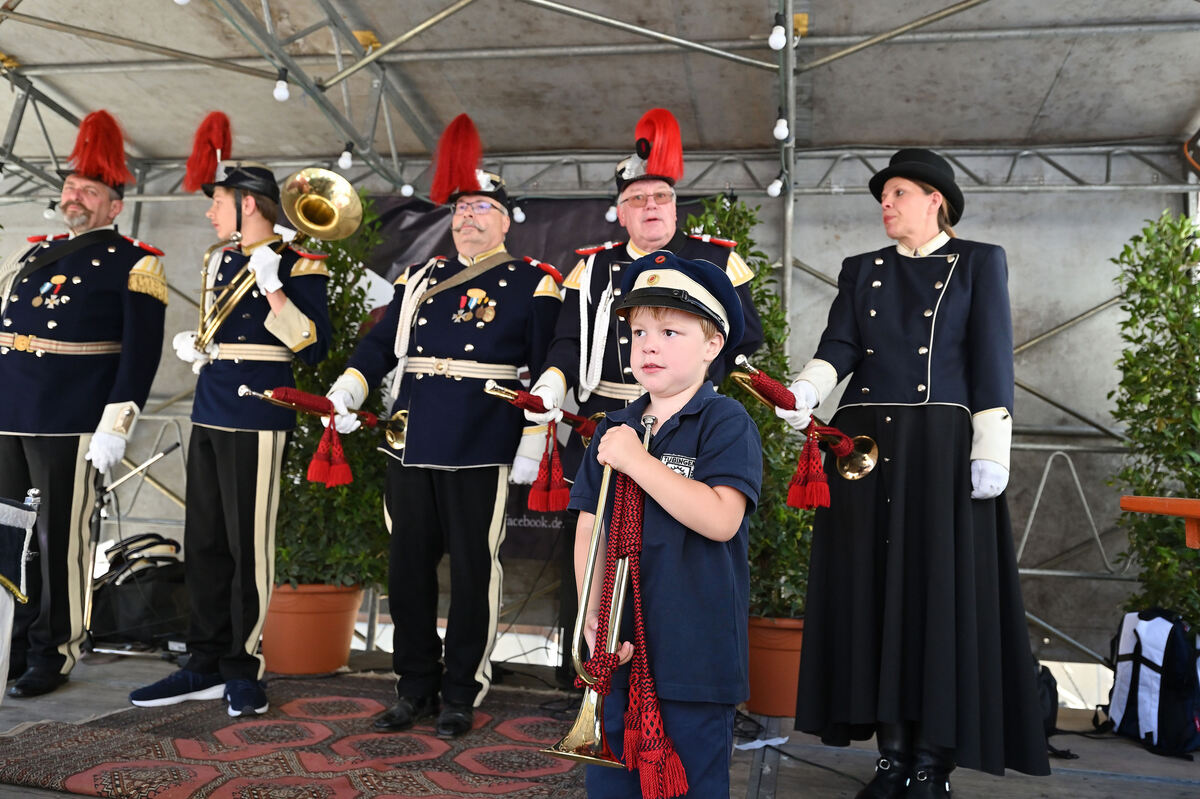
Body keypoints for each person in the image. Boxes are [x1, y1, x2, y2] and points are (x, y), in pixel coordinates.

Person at [780, 148, 1050, 797]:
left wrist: (992, 443)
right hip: (865, 450)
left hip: (941, 446)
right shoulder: (860, 268)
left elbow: (990, 355)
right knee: (873, 596)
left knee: (937, 597)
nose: (887, 203)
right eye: (884, 193)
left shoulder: (979, 261)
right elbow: (840, 344)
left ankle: (933, 759)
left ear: (937, 199)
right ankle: (891, 753)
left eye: (898, 191)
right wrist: (808, 390)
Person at [326, 114, 562, 739]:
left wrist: (540, 429)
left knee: (473, 574)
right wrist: (351, 381)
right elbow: (381, 345)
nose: (467, 218)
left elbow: (550, 363)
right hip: (411, 437)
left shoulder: (533, 281)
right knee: (405, 572)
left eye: (482, 207)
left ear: (506, 220)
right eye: (460, 208)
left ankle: (461, 690)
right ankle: (413, 686)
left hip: (482, 439)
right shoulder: (420, 278)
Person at [129, 153, 332, 717]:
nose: (210, 215)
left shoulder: (300, 261)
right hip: (211, 404)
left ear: (248, 204)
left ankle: (243, 667)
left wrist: (275, 289)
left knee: (247, 546)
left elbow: (313, 347)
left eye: (217, 203)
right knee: (205, 542)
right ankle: (203, 661)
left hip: (259, 412)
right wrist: (202, 348)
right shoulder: (219, 260)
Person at [569, 251, 762, 798]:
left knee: (690, 786)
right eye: (638, 333)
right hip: (622, 645)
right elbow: (592, 527)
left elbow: (721, 519)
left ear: (713, 346)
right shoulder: (614, 425)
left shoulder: (724, 421)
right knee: (610, 787)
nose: (648, 345)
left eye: (671, 332)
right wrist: (592, 614)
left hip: (694, 654)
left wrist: (637, 462)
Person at [0, 110, 167, 698]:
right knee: (10, 537)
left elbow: (140, 356)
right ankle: (10, 644)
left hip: (70, 421)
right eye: (70, 187)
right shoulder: (31, 257)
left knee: (61, 542)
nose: (74, 196)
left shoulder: (134, 264)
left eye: (89, 190)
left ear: (114, 205)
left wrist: (116, 424)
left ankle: (55, 650)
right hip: (10, 416)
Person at [526, 108, 763, 478]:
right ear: (621, 214)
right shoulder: (592, 269)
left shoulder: (718, 260)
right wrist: (551, 384)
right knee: (596, 524)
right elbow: (568, 342)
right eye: (636, 198)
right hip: (602, 424)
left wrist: (694, 393)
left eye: (661, 196)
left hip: (688, 423)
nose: (650, 204)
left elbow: (744, 340)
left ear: (674, 207)